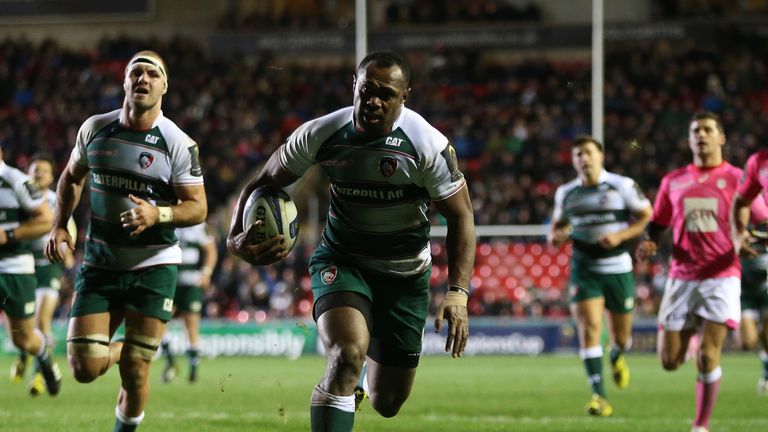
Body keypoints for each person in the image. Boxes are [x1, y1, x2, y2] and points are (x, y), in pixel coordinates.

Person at [227, 51, 476, 432]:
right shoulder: (321, 133)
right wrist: (234, 238)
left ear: (404, 96)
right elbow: (263, 182)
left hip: (405, 275)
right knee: (346, 355)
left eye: (386, 95)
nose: (373, 101)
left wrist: (458, 291)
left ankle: (360, 380)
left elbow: (460, 216)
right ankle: (347, 378)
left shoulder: (426, 145)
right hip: (343, 261)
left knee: (388, 402)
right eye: (367, 90)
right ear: (354, 86)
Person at [45, 50, 207, 432]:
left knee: (136, 372)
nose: (144, 79)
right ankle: (126, 349)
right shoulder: (95, 129)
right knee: (83, 368)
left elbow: (197, 207)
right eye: (137, 72)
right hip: (100, 263)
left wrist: (159, 214)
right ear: (124, 82)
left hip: (154, 265)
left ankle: (132, 368)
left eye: (153, 74)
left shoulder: (179, 144)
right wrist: (59, 224)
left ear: (164, 86)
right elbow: (70, 177)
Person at [637, 111, 741, 432]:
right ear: (689, 139)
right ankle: (690, 333)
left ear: (721, 138)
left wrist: (750, 237)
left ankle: (700, 425)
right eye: (695, 130)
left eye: (708, 129)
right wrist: (649, 243)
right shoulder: (674, 181)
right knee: (669, 362)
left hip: (721, 276)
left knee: (708, 358)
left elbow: (761, 220)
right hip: (681, 276)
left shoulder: (738, 179)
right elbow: (657, 225)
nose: (702, 135)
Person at [549, 136, 652, 417]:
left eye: (588, 153)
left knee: (621, 337)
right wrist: (557, 236)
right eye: (578, 154)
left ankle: (617, 355)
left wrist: (621, 235)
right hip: (584, 270)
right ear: (573, 161)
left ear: (601, 157)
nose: (583, 158)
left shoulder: (623, 185)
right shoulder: (566, 193)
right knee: (590, 328)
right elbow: (557, 228)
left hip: (618, 269)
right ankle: (599, 396)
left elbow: (646, 215)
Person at [11, 154, 76, 395]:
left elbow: (68, 229)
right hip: (23, 265)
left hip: (48, 266)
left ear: (51, 177)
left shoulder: (55, 201)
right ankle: (24, 352)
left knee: (42, 319)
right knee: (23, 324)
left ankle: (38, 376)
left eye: (43, 171)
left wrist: (66, 252)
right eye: (34, 170)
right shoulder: (20, 199)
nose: (38, 174)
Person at [1, 146, 61, 396]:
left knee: (22, 339)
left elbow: (46, 221)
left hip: (16, 269)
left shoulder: (18, 181)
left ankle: (43, 357)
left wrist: (8, 235)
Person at [159, 222, 218, 383]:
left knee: (191, 325)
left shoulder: (198, 226)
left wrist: (206, 272)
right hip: (170, 283)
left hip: (191, 284)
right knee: (160, 322)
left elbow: (211, 250)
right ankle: (170, 362)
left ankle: (193, 371)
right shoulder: (168, 221)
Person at [732, 146, 768, 396]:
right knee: (747, 341)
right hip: (746, 283)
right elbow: (741, 201)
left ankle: (766, 374)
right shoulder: (758, 161)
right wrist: (740, 234)